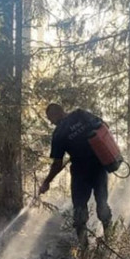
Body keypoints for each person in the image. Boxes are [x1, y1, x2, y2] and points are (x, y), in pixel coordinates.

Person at [39, 104, 112, 250]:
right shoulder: (81, 114)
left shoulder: (59, 133)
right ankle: (107, 242)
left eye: (50, 118)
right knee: (99, 206)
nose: (51, 122)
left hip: (82, 174)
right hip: (97, 168)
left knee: (82, 212)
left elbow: (57, 164)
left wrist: (47, 182)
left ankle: (86, 249)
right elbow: (104, 126)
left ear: (57, 113)